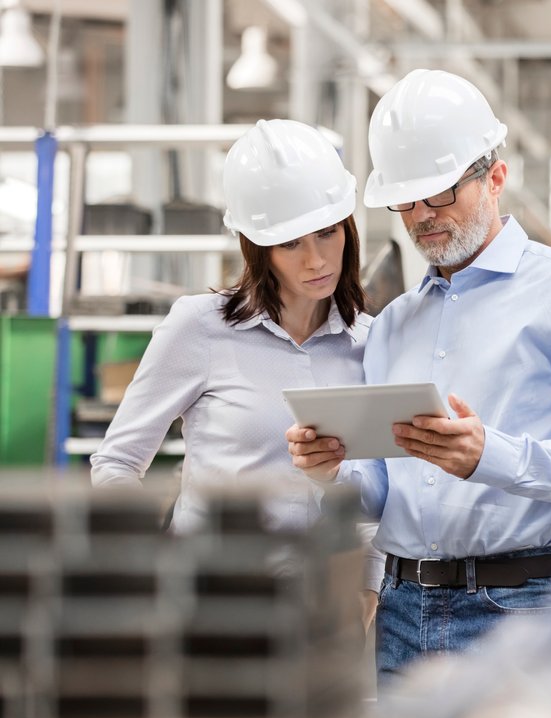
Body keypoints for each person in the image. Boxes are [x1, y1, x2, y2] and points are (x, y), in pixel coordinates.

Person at [286, 69, 551, 684]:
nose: (422, 217)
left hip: (527, 608)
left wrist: (491, 455)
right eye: (406, 201)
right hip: (403, 610)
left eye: (441, 195)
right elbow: (379, 492)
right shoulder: (394, 323)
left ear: (496, 177)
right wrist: (332, 472)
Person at [90, 119, 383, 626]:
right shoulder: (199, 328)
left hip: (321, 613)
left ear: (348, 227)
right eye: (291, 243)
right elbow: (116, 463)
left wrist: (367, 587)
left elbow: (374, 488)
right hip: (209, 603)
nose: (316, 259)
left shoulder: (371, 343)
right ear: (257, 246)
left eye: (327, 232)